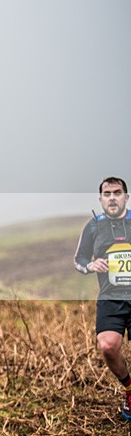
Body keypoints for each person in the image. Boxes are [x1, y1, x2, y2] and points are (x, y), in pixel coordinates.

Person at [74, 176, 131, 419]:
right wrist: (91, 265)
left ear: (126, 197)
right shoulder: (94, 226)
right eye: (107, 194)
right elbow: (79, 260)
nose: (112, 198)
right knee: (108, 347)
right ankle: (130, 389)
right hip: (110, 297)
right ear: (101, 199)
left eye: (117, 193)